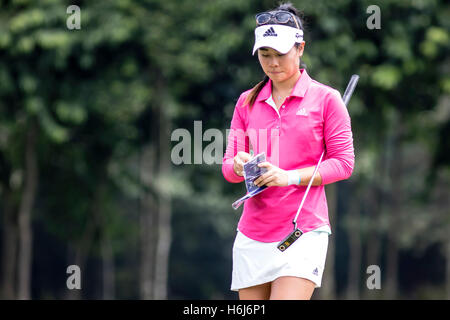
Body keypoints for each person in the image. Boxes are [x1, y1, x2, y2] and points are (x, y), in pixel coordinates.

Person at [221, 2, 355, 300]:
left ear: (300, 48)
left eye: (280, 54)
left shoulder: (326, 100)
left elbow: (344, 164)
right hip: (252, 233)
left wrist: (289, 177)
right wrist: (240, 166)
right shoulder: (247, 101)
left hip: (302, 229)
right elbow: (228, 167)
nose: (272, 63)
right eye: (264, 55)